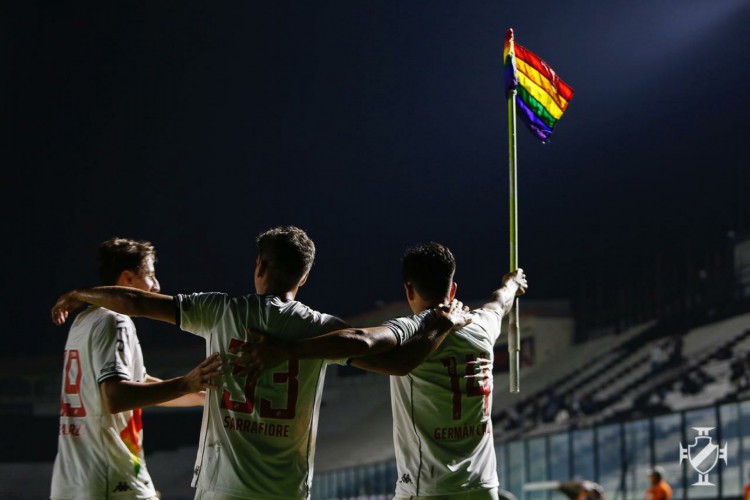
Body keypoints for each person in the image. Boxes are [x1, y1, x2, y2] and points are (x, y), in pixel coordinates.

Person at [51, 226, 470, 500]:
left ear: (259, 266)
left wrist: (82, 294)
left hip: (222, 488)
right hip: (286, 489)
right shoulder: (321, 329)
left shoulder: (221, 310)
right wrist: (439, 324)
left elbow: (135, 301)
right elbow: (400, 364)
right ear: (303, 279)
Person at [239, 242, 527, 499]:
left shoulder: (414, 329)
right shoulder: (483, 326)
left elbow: (361, 340)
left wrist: (289, 350)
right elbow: (499, 301)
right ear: (452, 289)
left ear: (409, 289)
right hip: (483, 487)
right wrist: (513, 283)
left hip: (427, 488)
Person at [50, 237, 222, 500]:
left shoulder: (83, 321)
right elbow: (117, 397)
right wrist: (186, 383)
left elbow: (139, 383)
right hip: (110, 478)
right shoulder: (116, 321)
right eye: (150, 275)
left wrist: (199, 396)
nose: (156, 285)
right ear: (128, 278)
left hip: (74, 481)